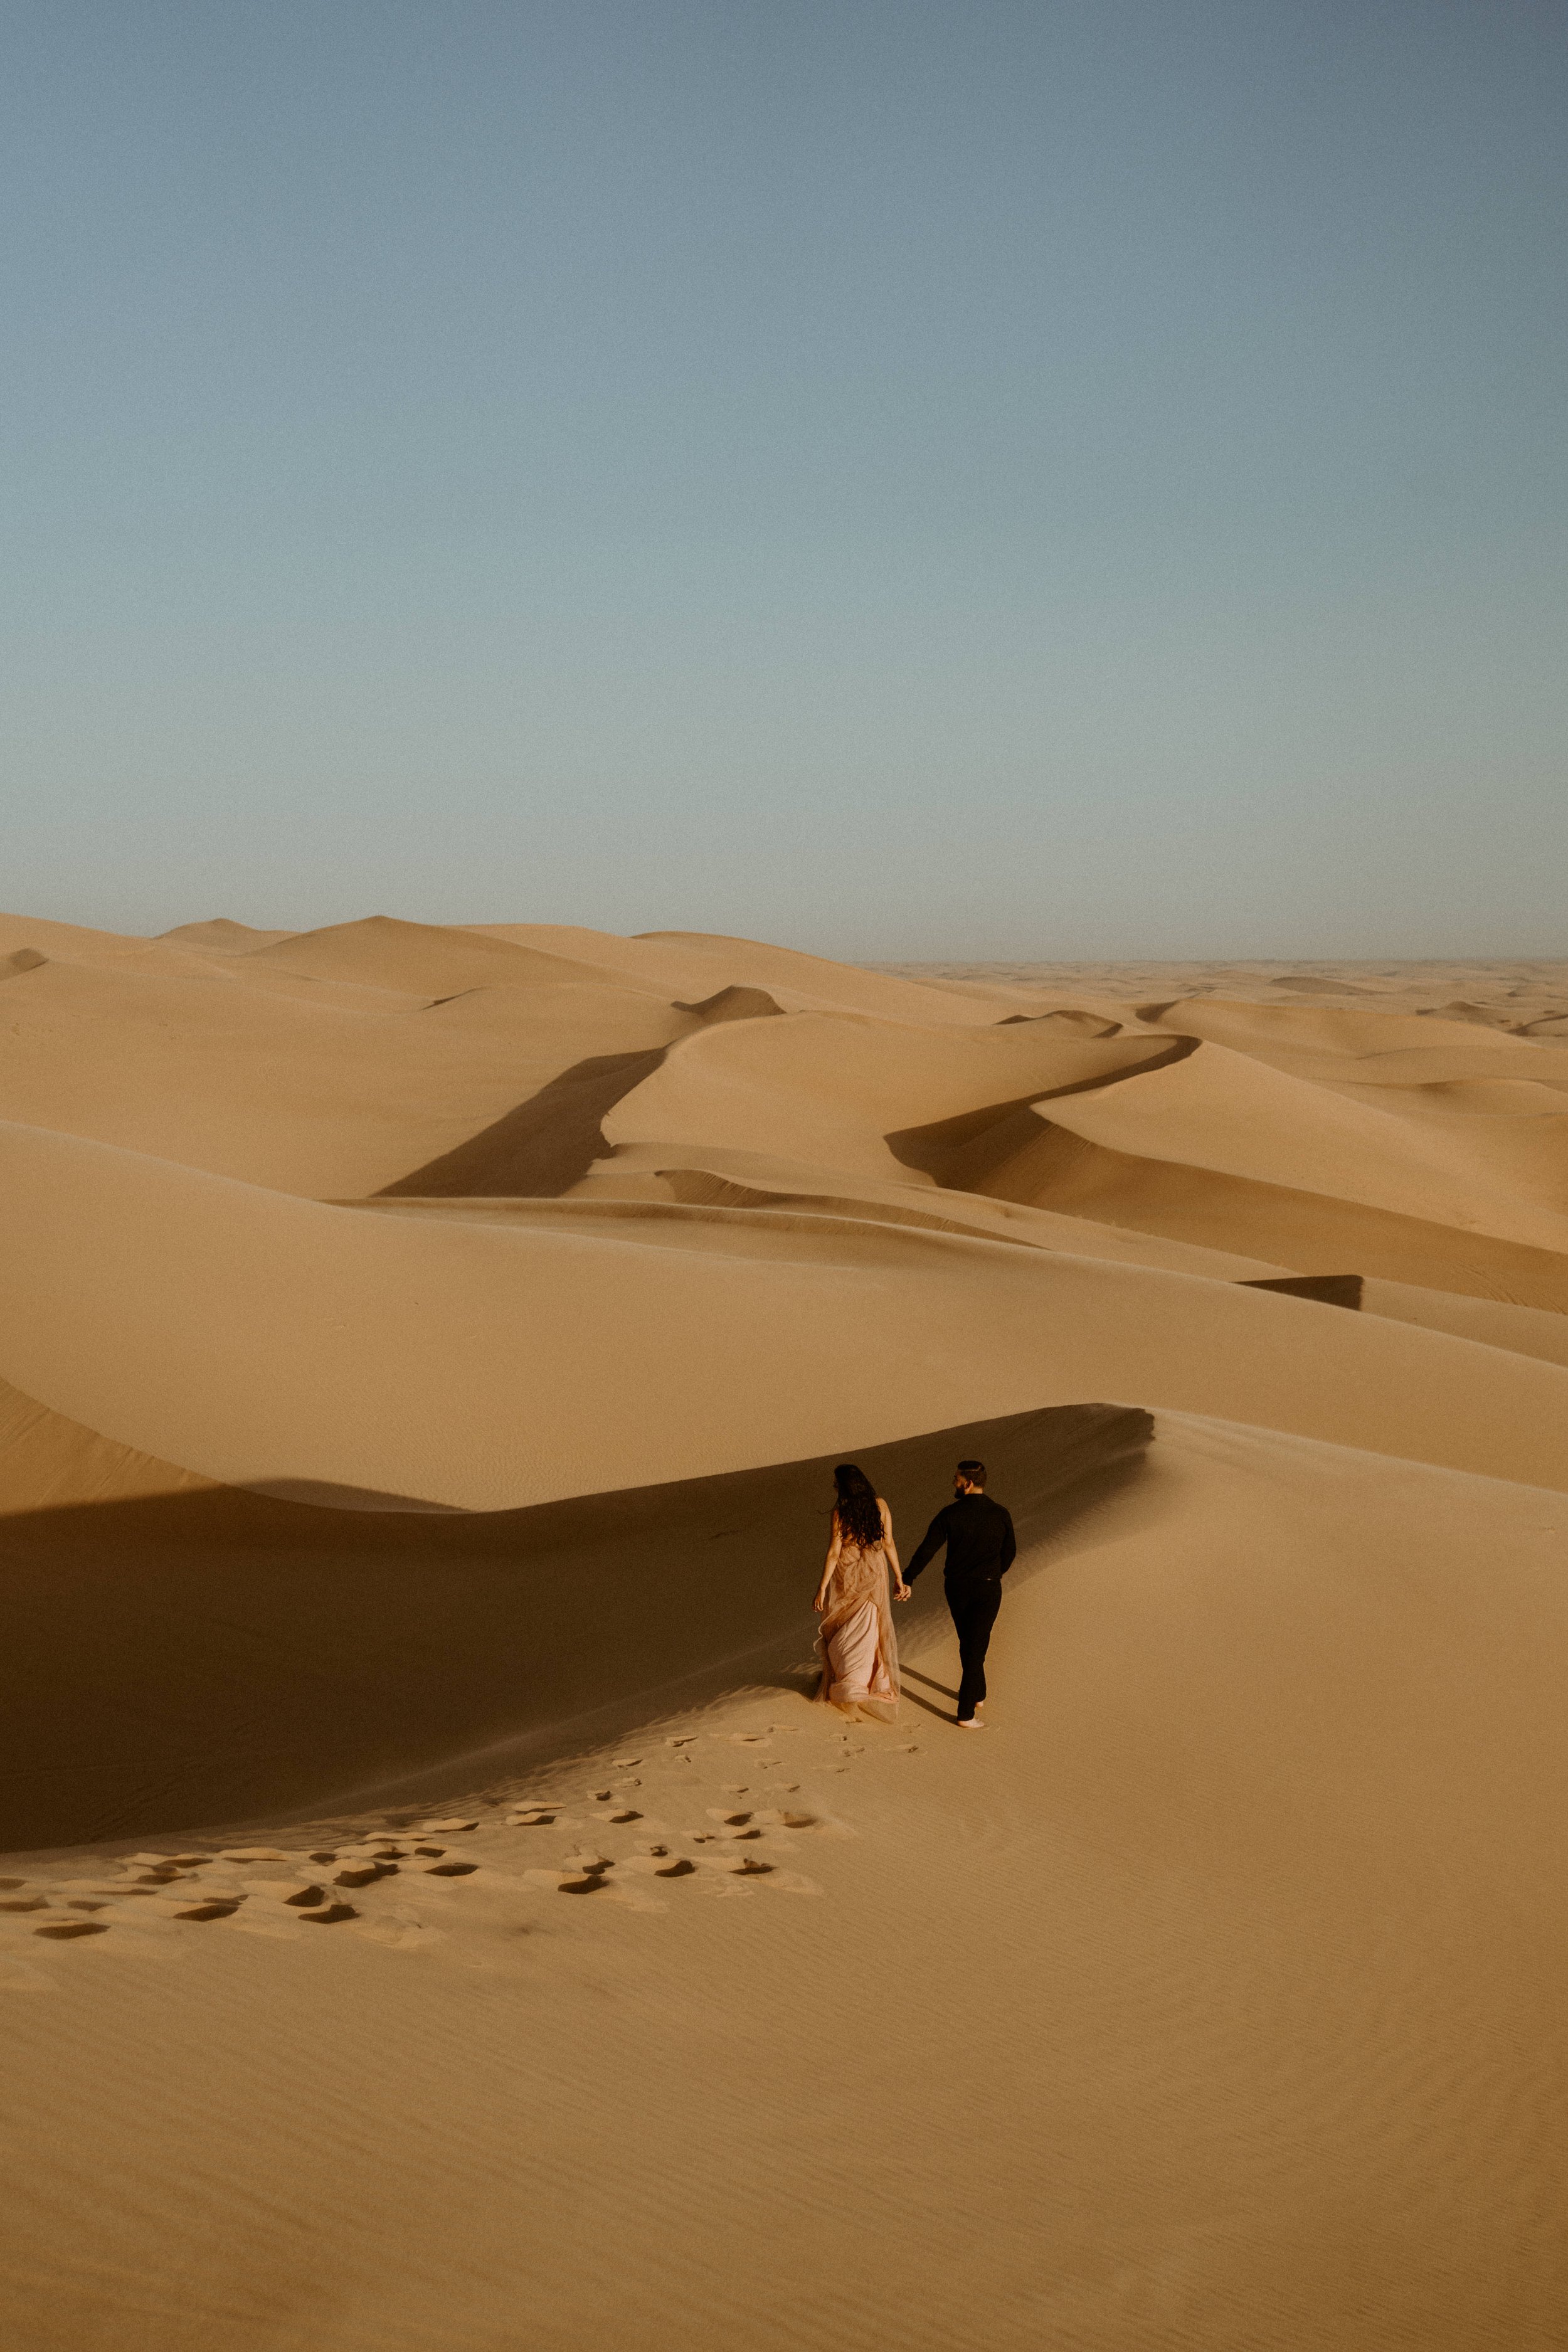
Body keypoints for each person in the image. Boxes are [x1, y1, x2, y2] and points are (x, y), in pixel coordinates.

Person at [903, 1459, 1016, 1728]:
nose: (952, 1483)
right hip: (988, 1586)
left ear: (967, 1484)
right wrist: (994, 1572)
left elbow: (927, 1549)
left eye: (955, 1479)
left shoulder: (950, 1514)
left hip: (957, 1587)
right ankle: (966, 1713)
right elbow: (1010, 1552)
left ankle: (976, 1694)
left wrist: (908, 1578)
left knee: (971, 1643)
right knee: (975, 1644)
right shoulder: (1000, 1513)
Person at [813, 1463, 908, 1717]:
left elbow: (834, 1552)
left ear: (844, 1486)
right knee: (869, 1625)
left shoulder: (841, 1512)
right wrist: (899, 1577)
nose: (834, 1487)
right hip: (873, 1572)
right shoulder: (881, 1505)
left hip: (847, 1574)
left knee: (843, 1625)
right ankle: (865, 1679)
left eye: (836, 1483)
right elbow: (888, 1542)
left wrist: (822, 1588)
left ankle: (850, 1680)